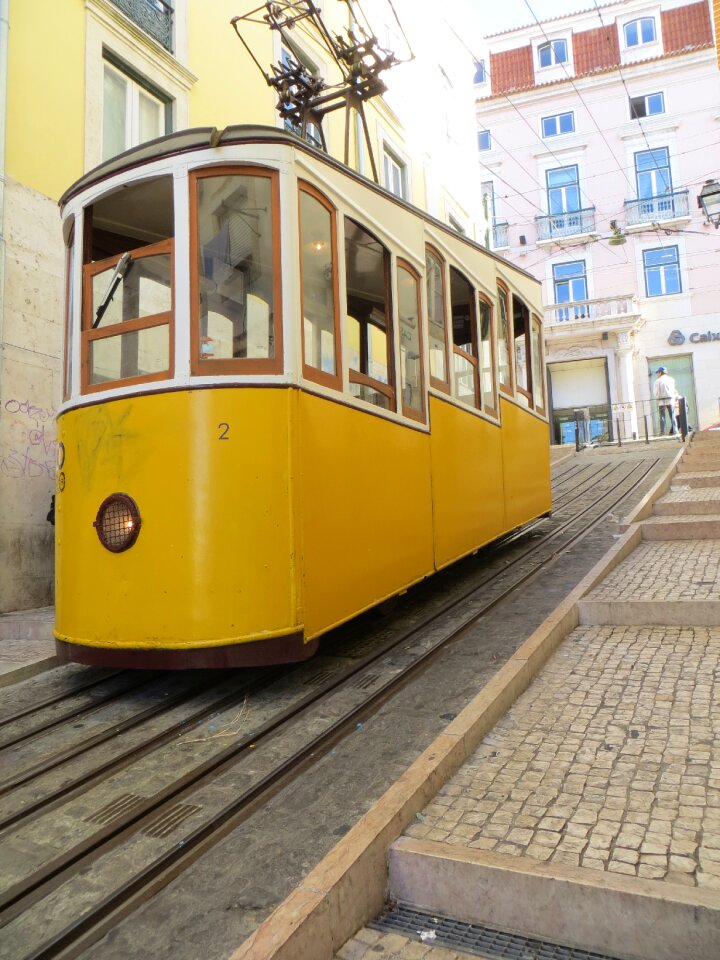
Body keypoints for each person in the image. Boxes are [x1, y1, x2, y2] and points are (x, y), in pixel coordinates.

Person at [653, 366, 677, 435]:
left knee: (662, 417)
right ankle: (675, 430)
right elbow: (673, 390)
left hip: (661, 401)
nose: (657, 374)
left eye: (658, 372)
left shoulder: (658, 381)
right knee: (672, 415)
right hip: (670, 399)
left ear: (660, 373)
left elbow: (656, 392)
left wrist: (657, 397)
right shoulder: (671, 379)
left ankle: (662, 432)